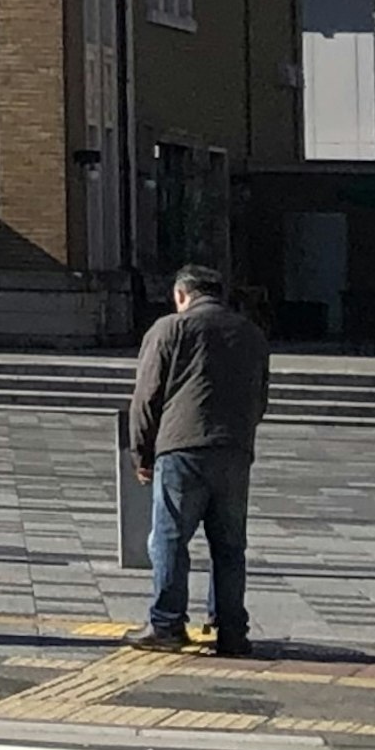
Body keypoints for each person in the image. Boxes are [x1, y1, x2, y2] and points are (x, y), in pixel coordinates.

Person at [126, 260, 272, 655]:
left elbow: (146, 396)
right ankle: (231, 631)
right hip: (235, 450)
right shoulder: (251, 334)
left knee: (170, 538)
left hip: (181, 448)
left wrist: (141, 451)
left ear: (181, 295)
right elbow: (261, 397)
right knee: (229, 544)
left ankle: (167, 624)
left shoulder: (170, 329)